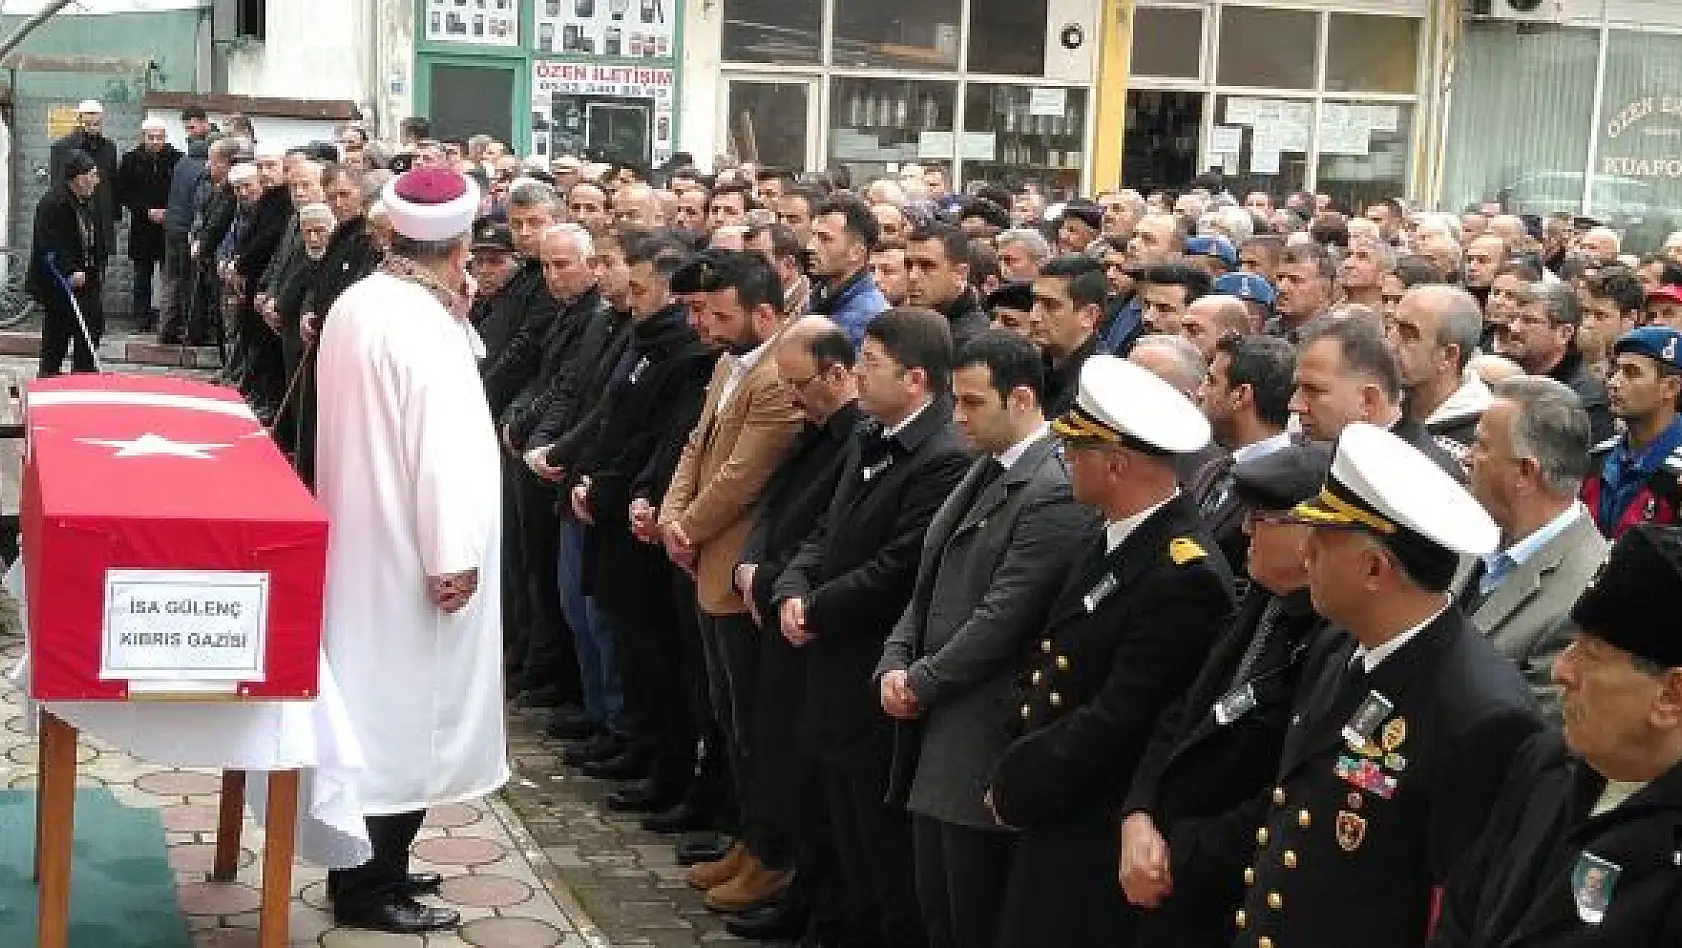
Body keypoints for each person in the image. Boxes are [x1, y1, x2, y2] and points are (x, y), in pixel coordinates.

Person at [1238, 422, 1542, 948]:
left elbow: (1452, 908)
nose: (1306, 553)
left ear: (1376, 569)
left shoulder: (1480, 711)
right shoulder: (1340, 644)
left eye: (1323, 540)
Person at [985, 354, 1235, 948]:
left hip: (1094, 817)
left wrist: (1022, 777)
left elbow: (1123, 715)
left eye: (1077, 447)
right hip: (1058, 802)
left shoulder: (1182, 572)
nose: (1065, 457)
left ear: (1116, 463)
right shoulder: (1114, 537)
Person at [314, 166, 505, 935]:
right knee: (405, 720)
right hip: (413, 555)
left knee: (377, 710)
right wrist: (450, 551)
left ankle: (377, 863)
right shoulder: (422, 325)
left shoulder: (363, 300)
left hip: (367, 539)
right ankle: (369, 883)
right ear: (458, 245)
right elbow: (441, 452)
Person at [875, 330, 1094, 948]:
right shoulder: (984, 467)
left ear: (1021, 398)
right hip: (938, 725)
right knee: (937, 908)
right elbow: (929, 582)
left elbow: (1006, 615)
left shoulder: (1052, 487)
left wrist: (919, 680)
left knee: (970, 913)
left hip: (981, 730)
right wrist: (895, 658)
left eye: (972, 403)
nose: (959, 417)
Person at [771, 307, 972, 948]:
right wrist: (794, 586)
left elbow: (898, 568)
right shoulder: (870, 431)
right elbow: (828, 528)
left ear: (914, 379)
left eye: (871, 364)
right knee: (839, 828)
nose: (857, 374)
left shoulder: (941, 455)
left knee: (880, 847)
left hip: (873, 660)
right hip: (830, 660)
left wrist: (817, 607)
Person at [1120, 443, 1334, 947]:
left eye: (1261, 519)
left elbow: (1291, 787)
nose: (1244, 531)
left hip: (1230, 890)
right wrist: (1139, 812)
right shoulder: (1262, 598)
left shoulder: (1329, 637)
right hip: (1159, 861)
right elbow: (1183, 713)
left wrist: (1180, 853)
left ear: (1312, 534)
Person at [1432, 524, 1682, 947]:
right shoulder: (1546, 762)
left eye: (1591, 655)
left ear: (1670, 697)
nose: (1560, 671)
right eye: (1571, 645)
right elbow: (1463, 908)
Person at [657, 250, 805, 913]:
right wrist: (671, 516)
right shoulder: (727, 365)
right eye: (703, 313)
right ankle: (749, 840)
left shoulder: (776, 378)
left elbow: (746, 473)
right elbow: (697, 446)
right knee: (729, 716)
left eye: (720, 315)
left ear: (764, 314)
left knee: (754, 724)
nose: (706, 326)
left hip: (737, 566)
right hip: (702, 554)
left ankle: (772, 853)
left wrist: (687, 526)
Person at [725, 316, 864, 943]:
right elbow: (780, 506)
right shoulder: (816, 429)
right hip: (778, 594)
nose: (793, 399)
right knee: (764, 736)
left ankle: (791, 878)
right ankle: (764, 855)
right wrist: (758, 562)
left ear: (839, 373)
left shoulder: (856, 436)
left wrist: (783, 582)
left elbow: (829, 533)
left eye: (800, 385)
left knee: (799, 766)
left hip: (814, 619)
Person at [1464, 376, 1605, 720]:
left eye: (1481, 446)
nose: (1468, 458)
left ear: (1525, 473)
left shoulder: (1585, 593)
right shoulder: (1469, 537)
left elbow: (1524, 733)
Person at [1291, 315, 1468, 478]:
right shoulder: (1338, 455)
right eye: (1298, 389)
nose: (1294, 405)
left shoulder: (1426, 476)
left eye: (1312, 390)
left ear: (1368, 400)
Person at [1190, 333, 1297, 571]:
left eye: (1211, 381)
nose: (1200, 392)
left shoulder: (1287, 491)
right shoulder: (1210, 469)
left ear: (1241, 395)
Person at [1583, 326, 1682, 537]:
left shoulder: (1677, 471)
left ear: (1671, 387)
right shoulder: (1598, 459)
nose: (1614, 383)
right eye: (1615, 370)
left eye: (1631, 373)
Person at [1389, 285, 1491, 469]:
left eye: (1408, 335)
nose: (1390, 343)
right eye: (1391, 327)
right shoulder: (1381, 403)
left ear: (1449, 356)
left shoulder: (1482, 436)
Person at [1502, 280, 1614, 442]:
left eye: (1528, 320)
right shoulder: (1500, 374)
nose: (1514, 328)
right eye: (1513, 318)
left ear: (1564, 333)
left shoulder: (1585, 401)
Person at [29, 151, 108, 377]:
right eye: (92, 175)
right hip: (60, 285)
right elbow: (48, 246)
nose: (97, 180)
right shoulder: (53, 204)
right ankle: (48, 381)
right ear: (78, 178)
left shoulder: (87, 200)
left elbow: (94, 237)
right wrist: (69, 271)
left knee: (91, 329)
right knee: (56, 340)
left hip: (87, 280)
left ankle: (83, 377)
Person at [115, 117, 182, 331]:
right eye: (150, 137)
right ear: (143, 137)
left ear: (165, 137)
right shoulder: (130, 160)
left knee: (169, 275)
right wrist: (145, 211)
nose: (155, 141)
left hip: (168, 226)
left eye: (159, 137)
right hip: (142, 226)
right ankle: (141, 318)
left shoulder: (177, 159)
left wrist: (169, 212)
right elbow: (123, 193)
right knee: (142, 275)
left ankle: (168, 318)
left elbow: (183, 192)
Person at [807, 194, 890, 345]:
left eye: (825, 239)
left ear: (856, 252)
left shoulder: (868, 319)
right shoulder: (820, 296)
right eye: (812, 235)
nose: (811, 246)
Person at [1033, 255, 1108, 418]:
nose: (1034, 316)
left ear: (1088, 315)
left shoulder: (1095, 392)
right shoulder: (1032, 368)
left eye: (1050, 305)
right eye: (1035, 302)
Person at [49, 99, 119, 257]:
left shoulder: (109, 148)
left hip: (102, 217)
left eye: (96, 122)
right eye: (88, 122)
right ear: (79, 119)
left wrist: (114, 215)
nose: (93, 126)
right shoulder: (63, 148)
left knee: (99, 268)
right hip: (74, 216)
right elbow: (57, 184)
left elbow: (113, 182)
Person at [906, 223, 990, 351]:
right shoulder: (912, 322)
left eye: (927, 265)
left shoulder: (972, 342)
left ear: (960, 273)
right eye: (908, 265)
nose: (913, 276)